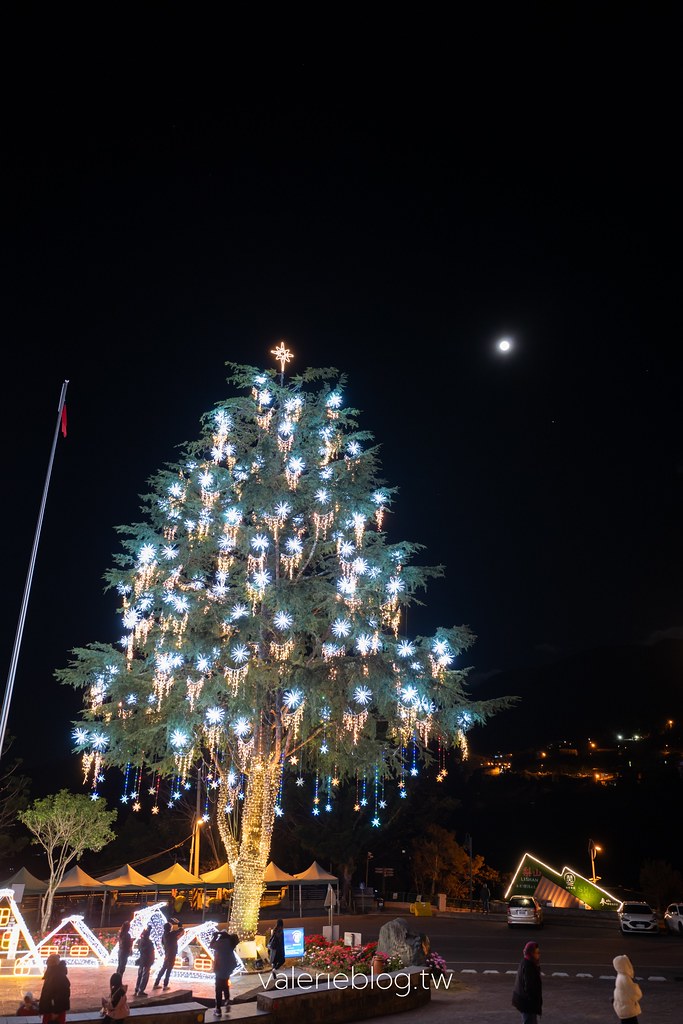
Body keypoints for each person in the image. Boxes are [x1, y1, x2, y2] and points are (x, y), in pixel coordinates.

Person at [209, 930, 239, 1016]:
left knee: (218, 989)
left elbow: (211, 945)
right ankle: (227, 1001)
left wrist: (215, 936)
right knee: (225, 985)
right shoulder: (230, 943)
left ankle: (218, 1009)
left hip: (220, 969)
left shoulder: (220, 944)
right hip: (228, 968)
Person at [512, 940, 543, 1024]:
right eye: (537, 952)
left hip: (526, 1002)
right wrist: (534, 1003)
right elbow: (529, 987)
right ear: (531, 953)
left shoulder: (528, 962)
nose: (539, 954)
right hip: (528, 1004)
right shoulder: (528, 966)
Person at [152, 919, 185, 991]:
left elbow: (163, 943)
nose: (172, 927)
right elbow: (181, 930)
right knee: (169, 969)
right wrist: (179, 922)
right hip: (171, 954)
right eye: (171, 926)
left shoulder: (164, 935)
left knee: (163, 968)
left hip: (167, 953)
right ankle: (165, 985)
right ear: (170, 928)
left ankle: (156, 983)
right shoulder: (172, 934)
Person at [38, 954, 70, 1024]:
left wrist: (56, 1012)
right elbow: (46, 993)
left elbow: (63, 995)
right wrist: (41, 1009)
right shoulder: (53, 974)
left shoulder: (57, 976)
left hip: (53, 1012)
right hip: (50, 1010)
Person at [612, 953, 642, 1022]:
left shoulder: (620, 975)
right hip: (628, 1009)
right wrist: (636, 986)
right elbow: (636, 993)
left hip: (623, 1008)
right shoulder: (625, 978)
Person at [133, 925, 156, 998]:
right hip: (147, 960)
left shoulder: (140, 941)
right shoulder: (149, 942)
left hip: (142, 960)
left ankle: (137, 989)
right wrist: (152, 960)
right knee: (145, 976)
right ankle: (141, 990)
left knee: (140, 975)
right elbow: (151, 952)